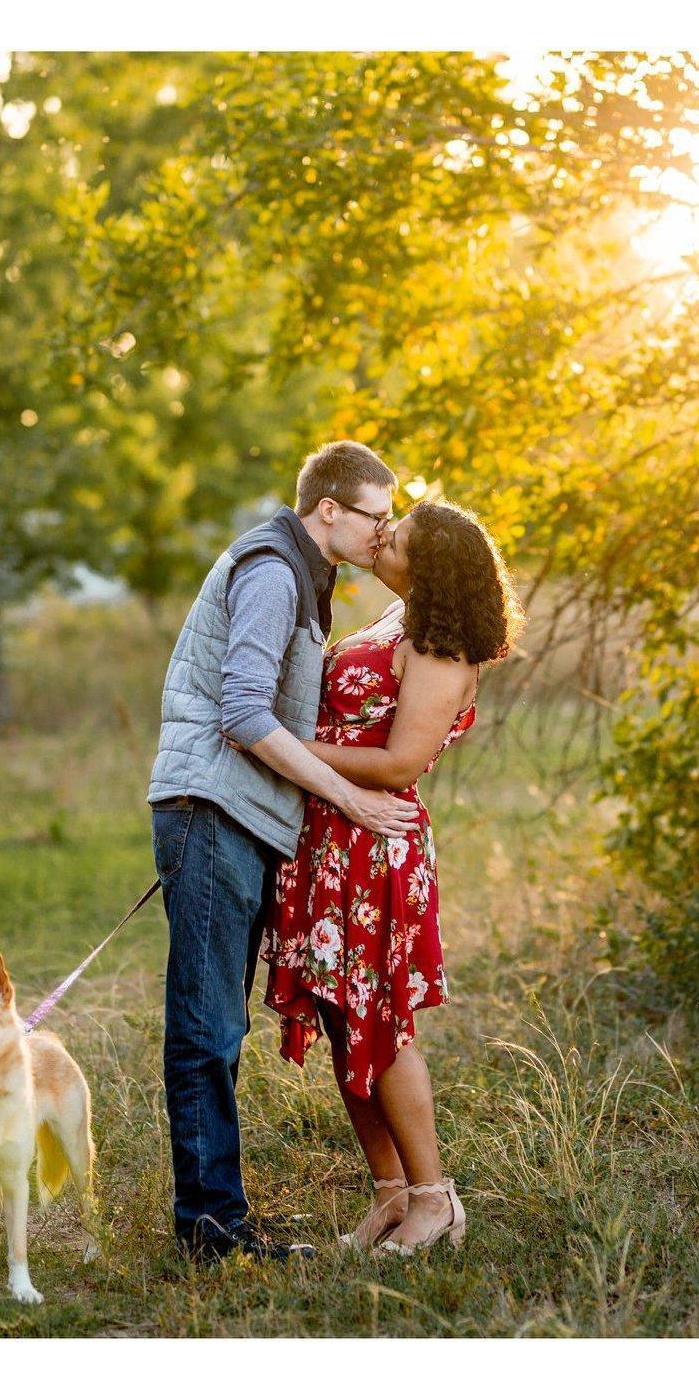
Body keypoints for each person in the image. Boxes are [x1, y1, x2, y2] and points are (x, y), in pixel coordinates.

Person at [147, 441, 420, 1262]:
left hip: (230, 814)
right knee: (206, 1026)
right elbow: (241, 710)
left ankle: (215, 1218)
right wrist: (346, 796)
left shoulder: (308, 572)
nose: (384, 534)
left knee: (216, 1020)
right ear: (329, 509)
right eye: (377, 516)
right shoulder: (273, 569)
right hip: (211, 811)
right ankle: (209, 1230)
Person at [265, 500, 522, 1256]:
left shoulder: (441, 651)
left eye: (398, 537)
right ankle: (388, 1192)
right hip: (329, 835)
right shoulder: (391, 620)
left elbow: (400, 763)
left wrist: (280, 742)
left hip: (374, 844)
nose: (384, 536)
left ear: (429, 568)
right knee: (344, 1015)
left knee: (380, 1020)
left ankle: (434, 1197)